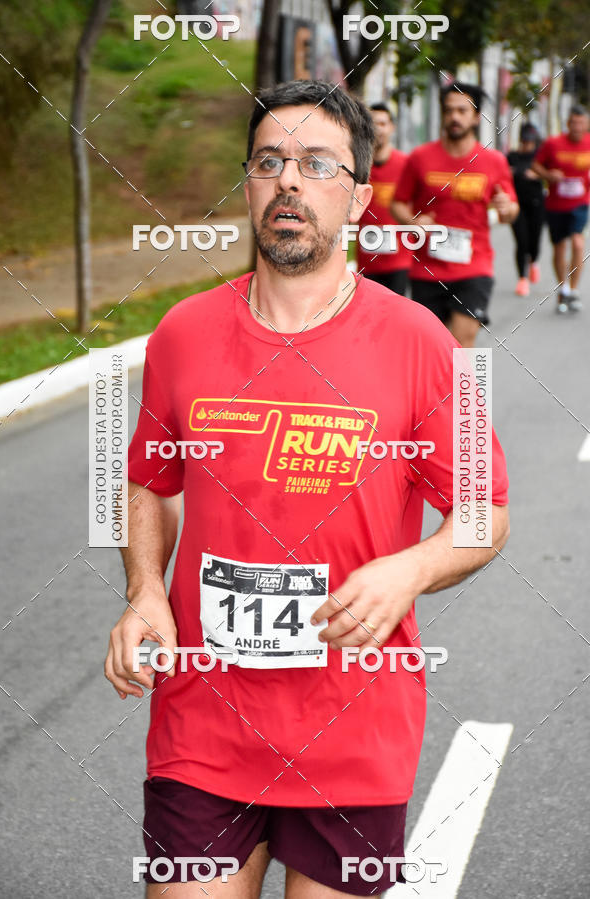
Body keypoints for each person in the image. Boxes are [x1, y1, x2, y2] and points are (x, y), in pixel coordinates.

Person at [104, 80, 510, 898]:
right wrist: (145, 587)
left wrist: (409, 571)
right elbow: (145, 479)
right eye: (270, 161)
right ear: (249, 185)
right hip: (203, 721)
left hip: (354, 732)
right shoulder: (180, 333)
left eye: (317, 164)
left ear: (359, 196)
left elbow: (488, 509)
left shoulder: (423, 342)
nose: (289, 180)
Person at [392, 81, 519, 347]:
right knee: (431, 347)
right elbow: (398, 203)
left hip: (474, 267)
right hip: (426, 270)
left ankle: (464, 390)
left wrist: (508, 208)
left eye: (462, 111)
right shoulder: (420, 158)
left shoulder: (493, 161)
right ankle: (441, 390)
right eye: (449, 110)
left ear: (475, 117)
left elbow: (511, 210)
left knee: (462, 341)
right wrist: (413, 222)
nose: (455, 117)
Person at [531, 105, 590, 313]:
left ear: (586, 125)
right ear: (568, 124)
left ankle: (574, 290)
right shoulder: (553, 144)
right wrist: (549, 175)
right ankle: (563, 288)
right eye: (573, 123)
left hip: (580, 203)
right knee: (559, 247)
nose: (576, 127)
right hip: (556, 205)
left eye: (581, 123)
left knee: (577, 242)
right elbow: (536, 166)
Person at [356, 102, 411, 295]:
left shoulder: (406, 165)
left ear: (391, 127)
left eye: (382, 123)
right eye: (373, 124)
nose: (378, 129)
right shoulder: (358, 168)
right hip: (366, 261)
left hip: (400, 260)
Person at [506, 123, 545, 297]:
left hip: (537, 203)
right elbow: (503, 174)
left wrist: (536, 174)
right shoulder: (512, 156)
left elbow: (551, 173)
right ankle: (522, 279)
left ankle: (534, 261)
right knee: (522, 241)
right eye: (524, 141)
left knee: (534, 240)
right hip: (517, 204)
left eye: (530, 141)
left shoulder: (539, 156)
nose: (527, 144)